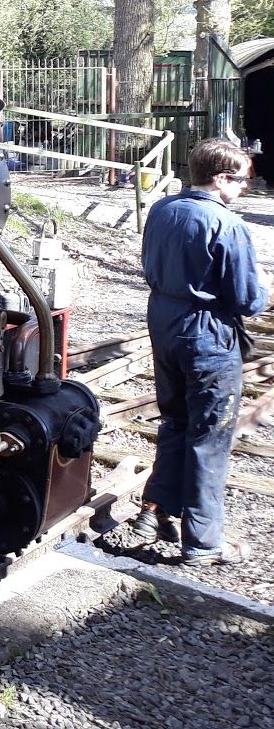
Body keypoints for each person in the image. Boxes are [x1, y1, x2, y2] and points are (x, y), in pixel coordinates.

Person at [133, 138, 267, 564]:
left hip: (165, 327)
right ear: (222, 178)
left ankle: (153, 512)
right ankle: (204, 541)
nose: (246, 187)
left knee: (175, 421)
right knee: (209, 436)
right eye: (244, 180)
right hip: (208, 338)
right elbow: (248, 300)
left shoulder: (161, 209)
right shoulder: (228, 225)